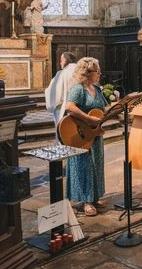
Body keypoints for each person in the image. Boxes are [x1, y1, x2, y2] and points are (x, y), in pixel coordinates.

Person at [64, 57, 107, 216]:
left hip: (94, 133)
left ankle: (94, 197)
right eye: (97, 71)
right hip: (81, 134)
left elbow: (103, 108)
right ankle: (85, 201)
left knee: (96, 164)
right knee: (84, 166)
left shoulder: (96, 88)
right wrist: (88, 119)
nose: (100, 74)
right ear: (87, 73)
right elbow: (70, 107)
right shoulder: (78, 88)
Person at [45, 52, 77, 142]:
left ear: (65, 61)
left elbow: (55, 94)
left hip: (63, 109)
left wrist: (51, 105)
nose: (60, 63)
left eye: (61, 60)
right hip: (79, 109)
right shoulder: (80, 72)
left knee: (63, 135)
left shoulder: (62, 73)